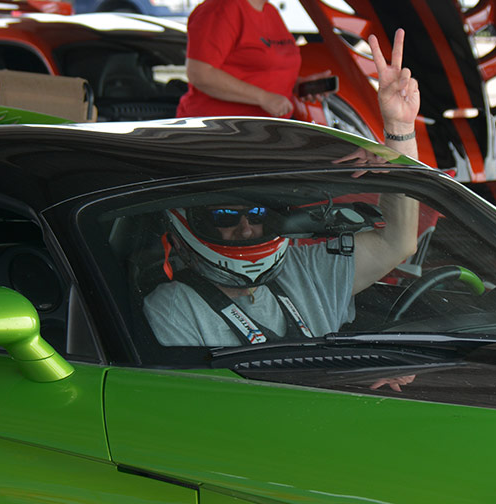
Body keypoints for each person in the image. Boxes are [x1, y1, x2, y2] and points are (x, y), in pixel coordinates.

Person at [146, 30, 421, 347]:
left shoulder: (306, 271)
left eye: (257, 213)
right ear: (188, 224)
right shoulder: (174, 307)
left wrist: (399, 130)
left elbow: (398, 241)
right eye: (224, 216)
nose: (246, 229)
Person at [175, 0, 328, 118]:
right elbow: (200, 74)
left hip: (262, 131)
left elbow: (262, 70)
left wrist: (297, 85)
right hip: (219, 132)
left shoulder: (270, 11)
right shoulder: (220, 9)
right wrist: (263, 98)